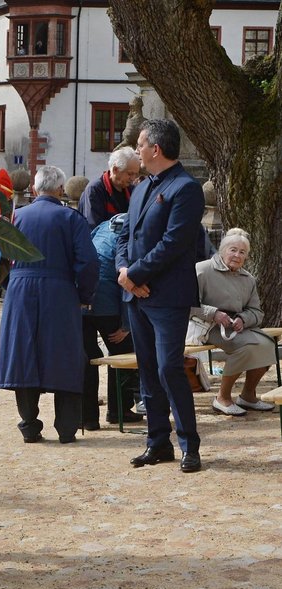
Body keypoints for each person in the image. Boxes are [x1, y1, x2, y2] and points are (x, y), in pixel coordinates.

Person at [117, 118, 205, 473]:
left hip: (167, 296)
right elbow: (124, 235)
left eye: (140, 144)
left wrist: (135, 275)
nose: (136, 149)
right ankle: (157, 442)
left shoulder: (186, 188)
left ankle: (190, 445)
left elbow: (174, 243)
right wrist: (125, 274)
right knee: (148, 371)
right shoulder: (140, 187)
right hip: (137, 294)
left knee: (170, 368)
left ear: (156, 148)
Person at [0, 165, 99, 443]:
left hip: (20, 289)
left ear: (34, 189)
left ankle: (29, 425)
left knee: (24, 354)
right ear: (61, 190)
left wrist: (10, 285)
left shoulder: (16, 216)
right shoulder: (70, 218)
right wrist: (84, 295)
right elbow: (89, 261)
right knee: (65, 356)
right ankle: (66, 428)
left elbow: (0, 257)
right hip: (60, 291)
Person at [193, 228, 276, 415]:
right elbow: (186, 305)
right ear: (222, 250)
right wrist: (214, 313)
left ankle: (248, 396)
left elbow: (256, 312)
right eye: (233, 250)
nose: (237, 255)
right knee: (246, 348)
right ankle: (222, 398)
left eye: (242, 252)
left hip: (235, 328)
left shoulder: (248, 279)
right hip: (206, 326)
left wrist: (242, 319)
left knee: (268, 345)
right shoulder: (202, 269)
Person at [81, 213, 143, 429]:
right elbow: (125, 281)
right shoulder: (132, 238)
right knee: (122, 357)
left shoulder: (102, 227)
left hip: (83, 302)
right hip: (108, 306)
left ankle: (87, 417)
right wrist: (126, 325)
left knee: (87, 359)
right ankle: (119, 410)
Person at [78, 147, 141, 229]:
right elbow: (94, 228)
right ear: (115, 169)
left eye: (135, 174)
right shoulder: (95, 190)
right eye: (130, 174)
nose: (133, 178)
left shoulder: (132, 190)